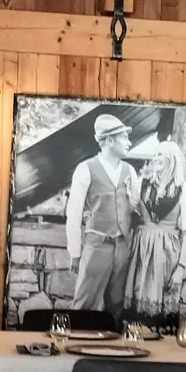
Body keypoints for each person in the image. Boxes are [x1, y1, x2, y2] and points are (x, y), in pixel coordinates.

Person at [65, 114, 141, 320]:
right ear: (109, 141)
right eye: (124, 138)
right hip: (97, 245)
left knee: (115, 306)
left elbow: (135, 207)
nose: (129, 143)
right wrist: (75, 251)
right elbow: (73, 213)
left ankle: (112, 348)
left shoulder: (130, 171)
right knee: (84, 302)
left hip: (122, 247)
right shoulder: (86, 169)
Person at [124, 140, 186, 322]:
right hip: (141, 253)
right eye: (155, 155)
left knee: (162, 310)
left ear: (172, 159)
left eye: (161, 154)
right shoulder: (142, 185)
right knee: (136, 304)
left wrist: (180, 267)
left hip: (166, 254)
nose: (156, 159)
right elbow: (127, 210)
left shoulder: (183, 190)